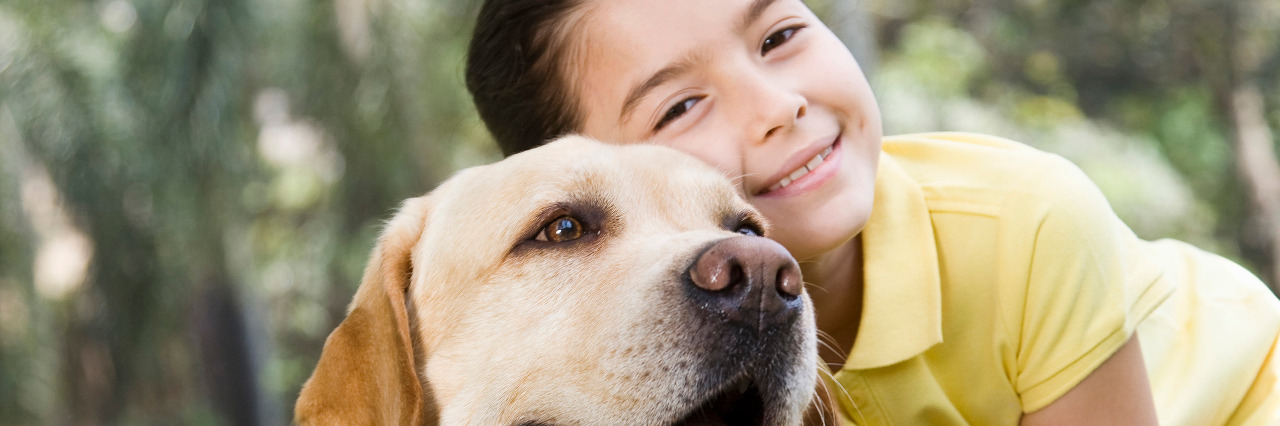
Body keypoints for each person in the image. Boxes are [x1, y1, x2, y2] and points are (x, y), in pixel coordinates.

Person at [463, 0, 1280, 424]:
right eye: (680, 107)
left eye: (779, 35)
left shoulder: (1028, 222)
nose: (779, 106)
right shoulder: (605, 371)